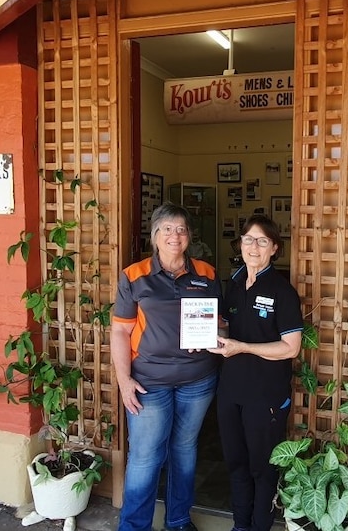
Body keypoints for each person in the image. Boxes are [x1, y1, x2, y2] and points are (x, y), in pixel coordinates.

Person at [113, 202, 222, 531]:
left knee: (185, 450)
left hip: (198, 379)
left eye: (181, 229)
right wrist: (124, 380)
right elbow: (120, 330)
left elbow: (221, 322)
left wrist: (215, 334)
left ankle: (178, 520)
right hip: (149, 382)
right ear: (155, 236)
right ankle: (134, 527)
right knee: (145, 458)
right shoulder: (134, 276)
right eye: (167, 229)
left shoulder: (207, 272)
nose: (175, 235)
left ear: (189, 236)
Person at [209, 215, 303, 531]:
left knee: (262, 468)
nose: (254, 246)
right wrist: (210, 333)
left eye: (262, 241)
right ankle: (240, 525)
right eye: (248, 239)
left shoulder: (282, 291)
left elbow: (291, 348)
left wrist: (243, 347)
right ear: (240, 244)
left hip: (266, 396)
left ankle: (260, 525)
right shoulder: (233, 284)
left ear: (274, 249)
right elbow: (227, 326)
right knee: (235, 463)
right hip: (231, 391)